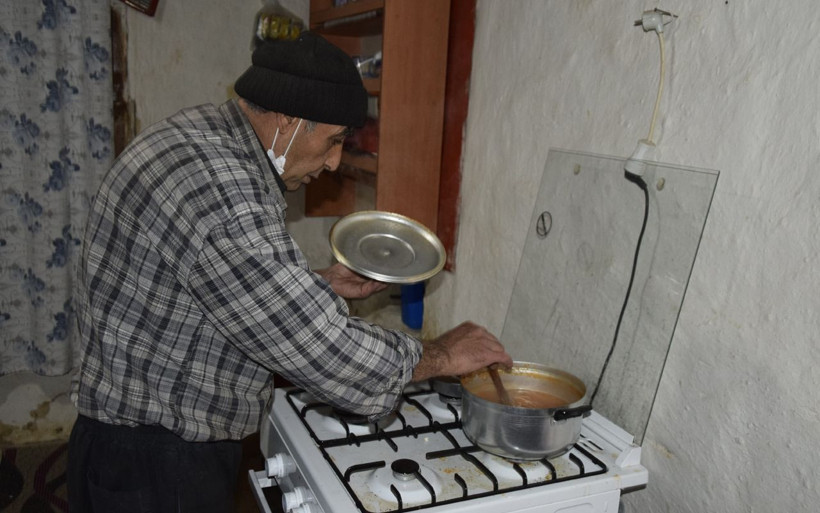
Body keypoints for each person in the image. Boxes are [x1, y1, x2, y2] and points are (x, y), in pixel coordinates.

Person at [67, 31, 512, 513]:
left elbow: (210, 288)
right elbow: (324, 351)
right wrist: (443, 354)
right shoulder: (224, 192)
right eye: (334, 140)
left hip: (131, 444)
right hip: (155, 464)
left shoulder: (203, 135)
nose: (335, 161)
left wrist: (317, 284)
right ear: (288, 120)